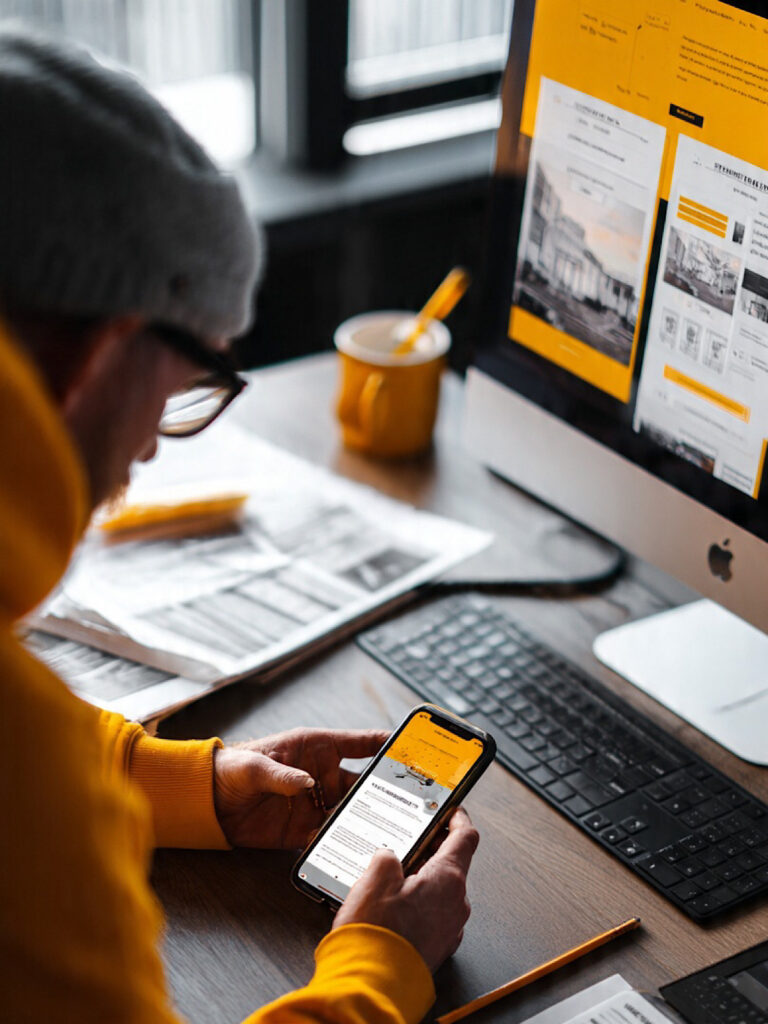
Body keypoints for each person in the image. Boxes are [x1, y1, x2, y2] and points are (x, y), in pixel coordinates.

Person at [0, 27, 480, 1024]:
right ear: (107, 349)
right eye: (185, 385)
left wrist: (178, 783)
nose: (151, 450)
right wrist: (377, 971)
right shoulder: (33, 782)